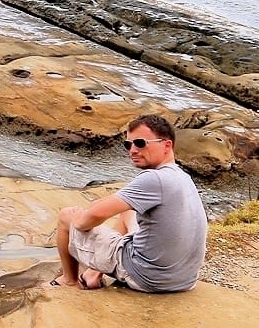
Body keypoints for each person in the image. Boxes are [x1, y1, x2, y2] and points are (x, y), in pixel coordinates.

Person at [52, 113, 207, 291]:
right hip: (184, 279)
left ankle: (69, 280)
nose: (132, 150)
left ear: (166, 145)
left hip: (146, 277)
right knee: (128, 211)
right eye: (128, 144)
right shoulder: (182, 176)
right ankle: (94, 273)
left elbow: (95, 215)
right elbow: (115, 204)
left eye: (140, 143)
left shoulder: (153, 178)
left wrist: (78, 220)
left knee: (66, 216)